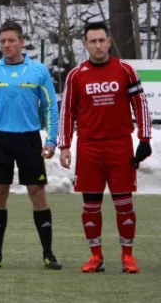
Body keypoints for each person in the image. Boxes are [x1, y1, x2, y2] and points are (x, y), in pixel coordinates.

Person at [58, 21, 152, 273]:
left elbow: (140, 105)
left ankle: (128, 256)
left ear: (109, 42)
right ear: (86, 44)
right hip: (89, 148)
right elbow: (67, 112)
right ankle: (95, 256)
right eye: (93, 41)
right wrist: (64, 145)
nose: (98, 46)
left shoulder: (126, 71)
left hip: (119, 146)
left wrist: (144, 140)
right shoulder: (76, 75)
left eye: (102, 40)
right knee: (90, 205)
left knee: (124, 203)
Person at [0, 20, 62, 270]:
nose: (7, 45)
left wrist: (52, 139)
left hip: (29, 138)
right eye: (2, 41)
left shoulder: (39, 71)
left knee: (37, 192)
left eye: (12, 40)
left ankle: (48, 253)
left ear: (22, 42)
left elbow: (51, 107)